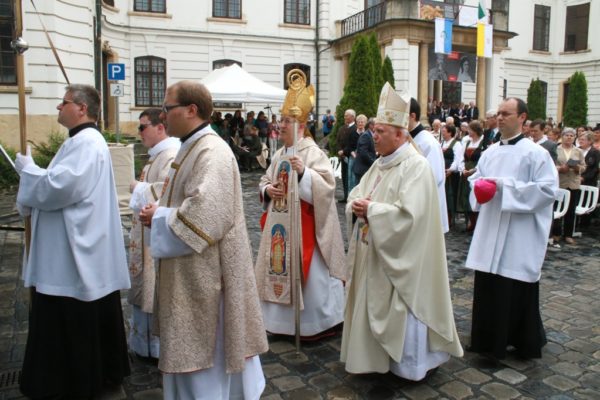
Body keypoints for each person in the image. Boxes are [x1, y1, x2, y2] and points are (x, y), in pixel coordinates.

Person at [139, 80, 268, 399]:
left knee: (208, 360)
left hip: (209, 278)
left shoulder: (212, 150)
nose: (164, 115)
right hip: (190, 274)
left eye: (168, 108)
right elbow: (180, 193)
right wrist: (157, 203)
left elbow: (206, 214)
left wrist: (158, 216)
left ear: (191, 110)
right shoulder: (191, 145)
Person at [15, 84, 131, 398]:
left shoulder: (88, 143)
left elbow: (63, 187)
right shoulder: (81, 141)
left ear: (81, 108)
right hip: (71, 245)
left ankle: (71, 381)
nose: (58, 108)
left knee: (72, 320)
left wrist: (30, 173)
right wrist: (34, 176)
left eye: (63, 102)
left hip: (74, 252)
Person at [341, 82, 463, 381]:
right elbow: (357, 194)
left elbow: (411, 219)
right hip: (375, 256)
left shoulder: (415, 167)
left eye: (380, 132)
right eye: (373, 131)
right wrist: (356, 206)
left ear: (399, 133)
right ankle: (373, 358)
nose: (373, 137)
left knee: (404, 311)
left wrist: (371, 211)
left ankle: (409, 365)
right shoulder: (380, 165)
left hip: (403, 265)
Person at [255, 69, 346, 339]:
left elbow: (328, 188)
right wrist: (268, 190)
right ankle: (279, 323)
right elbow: (264, 180)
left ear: (301, 125)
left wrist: (305, 173)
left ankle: (316, 324)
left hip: (308, 229)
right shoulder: (281, 153)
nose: (280, 125)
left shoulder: (312, 152)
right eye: (281, 120)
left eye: (286, 121)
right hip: (280, 229)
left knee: (312, 279)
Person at [465, 97, 558, 360]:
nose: (500, 117)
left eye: (507, 113)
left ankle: (520, 340)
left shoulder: (536, 154)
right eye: (498, 113)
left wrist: (503, 188)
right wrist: (478, 187)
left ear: (522, 117)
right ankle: (486, 339)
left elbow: (548, 190)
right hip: (491, 227)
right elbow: (476, 179)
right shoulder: (490, 152)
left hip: (519, 233)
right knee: (489, 286)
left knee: (512, 287)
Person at [128, 108, 180, 360]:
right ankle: (144, 345)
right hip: (145, 234)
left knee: (154, 288)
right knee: (144, 287)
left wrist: (139, 188)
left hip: (156, 236)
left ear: (161, 127)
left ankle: (157, 347)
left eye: (143, 126)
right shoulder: (155, 155)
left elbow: (167, 194)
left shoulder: (169, 155)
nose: (139, 132)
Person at [408, 98, 449, 233]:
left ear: (412, 116)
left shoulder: (427, 142)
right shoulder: (407, 138)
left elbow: (434, 177)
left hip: (425, 204)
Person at [551, 128, 585, 245]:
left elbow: (583, 166)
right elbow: (552, 164)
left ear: (574, 137)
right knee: (557, 208)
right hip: (561, 182)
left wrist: (577, 168)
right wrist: (560, 168)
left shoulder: (578, 151)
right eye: (567, 135)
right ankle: (556, 233)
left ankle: (568, 234)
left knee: (571, 210)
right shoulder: (556, 148)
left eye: (572, 135)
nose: (569, 137)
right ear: (562, 136)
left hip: (573, 183)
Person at [441, 124, 463, 228]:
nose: (442, 133)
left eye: (444, 131)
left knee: (450, 196)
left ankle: (450, 219)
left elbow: (457, 159)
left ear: (450, 132)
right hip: (443, 173)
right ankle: (443, 218)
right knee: (443, 196)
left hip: (451, 175)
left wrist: (451, 169)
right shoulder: (442, 143)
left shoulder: (456, 144)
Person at [336, 109, 357, 202]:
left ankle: (350, 195)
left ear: (353, 117)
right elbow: (338, 141)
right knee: (344, 176)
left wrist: (344, 152)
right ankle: (345, 196)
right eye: (345, 115)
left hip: (350, 157)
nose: (345, 117)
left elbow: (353, 144)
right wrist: (339, 150)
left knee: (350, 178)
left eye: (347, 115)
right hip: (343, 157)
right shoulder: (341, 128)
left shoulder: (355, 129)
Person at [352, 117, 377, 183]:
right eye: (376, 124)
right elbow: (363, 152)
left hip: (366, 168)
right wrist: (373, 162)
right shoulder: (365, 135)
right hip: (362, 169)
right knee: (360, 191)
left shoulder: (371, 135)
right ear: (371, 125)